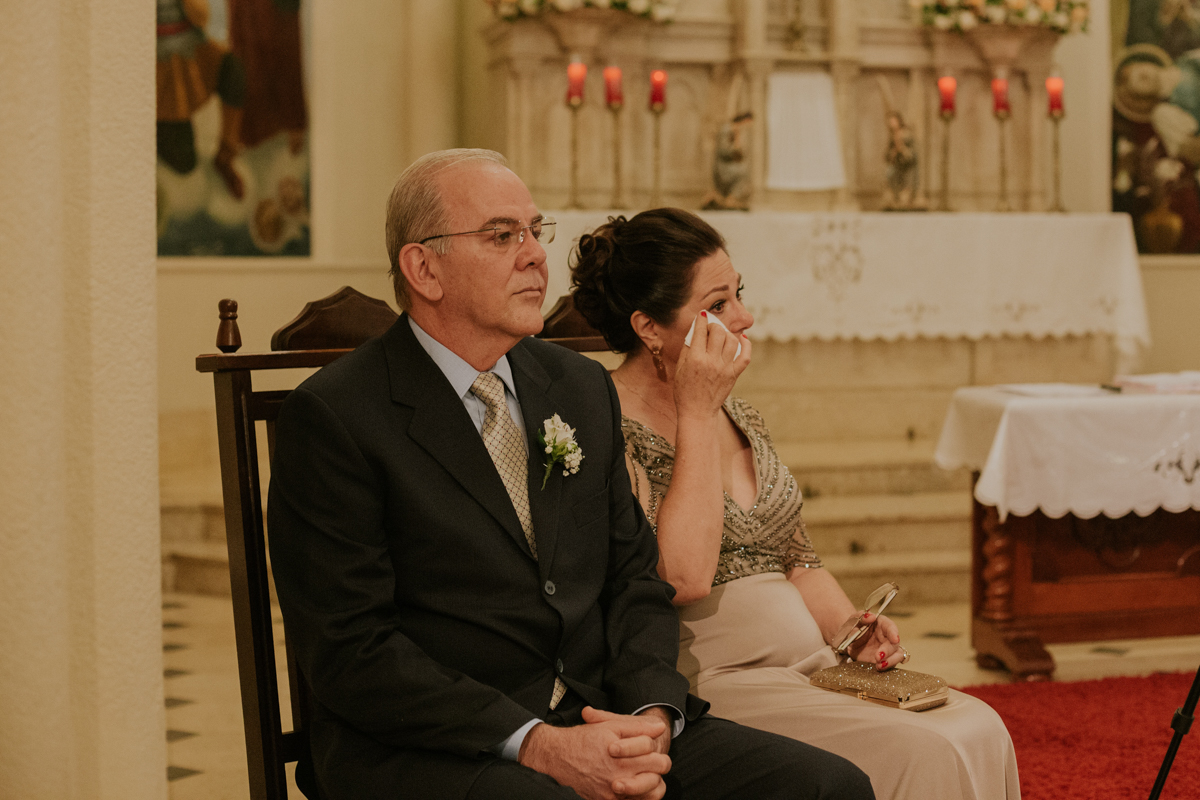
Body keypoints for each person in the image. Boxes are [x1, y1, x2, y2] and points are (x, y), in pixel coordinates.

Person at [267, 149, 875, 800]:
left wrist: (651, 713)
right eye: (503, 236)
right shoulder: (337, 417)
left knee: (828, 787)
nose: (533, 255)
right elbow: (352, 649)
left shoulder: (577, 386)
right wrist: (535, 742)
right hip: (439, 746)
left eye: (535, 231)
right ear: (424, 268)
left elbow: (636, 582)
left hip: (601, 710)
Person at [570, 208, 1022, 800]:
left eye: (740, 295)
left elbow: (798, 559)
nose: (745, 316)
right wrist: (697, 412)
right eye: (719, 303)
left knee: (980, 726)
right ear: (650, 327)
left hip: (811, 664)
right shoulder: (608, 420)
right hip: (716, 678)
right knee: (925, 748)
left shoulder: (743, 414)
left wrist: (848, 629)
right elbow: (681, 577)